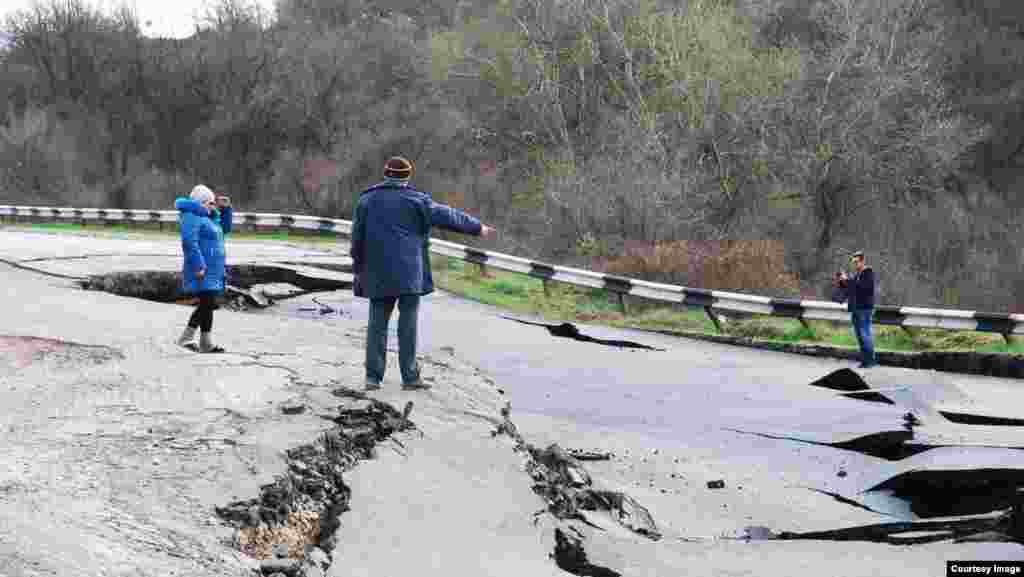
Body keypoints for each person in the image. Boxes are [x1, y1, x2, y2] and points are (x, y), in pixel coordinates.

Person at [350, 156, 496, 391]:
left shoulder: (367, 200)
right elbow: (448, 216)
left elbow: (357, 237)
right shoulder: (417, 201)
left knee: (377, 324)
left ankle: (372, 378)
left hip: (377, 272)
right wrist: (478, 227)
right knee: (408, 325)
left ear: (385, 175)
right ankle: (410, 377)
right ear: (408, 177)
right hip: (409, 274)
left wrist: (358, 265)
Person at [175, 185, 233, 353]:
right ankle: (188, 339)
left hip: (213, 270)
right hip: (203, 269)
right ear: (200, 203)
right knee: (207, 304)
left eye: (213, 202)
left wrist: (226, 209)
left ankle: (203, 342)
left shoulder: (209, 217)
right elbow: (189, 242)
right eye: (209, 202)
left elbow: (224, 230)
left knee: (208, 304)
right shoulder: (192, 216)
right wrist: (199, 265)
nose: (212, 205)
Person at [840, 250, 876, 368]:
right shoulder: (857, 275)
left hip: (864, 308)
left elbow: (864, 288)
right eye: (853, 262)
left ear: (862, 261)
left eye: (857, 262)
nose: (855, 265)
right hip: (856, 308)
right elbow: (852, 289)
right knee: (860, 335)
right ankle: (865, 360)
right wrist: (843, 281)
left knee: (865, 334)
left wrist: (849, 280)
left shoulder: (867, 273)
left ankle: (870, 361)